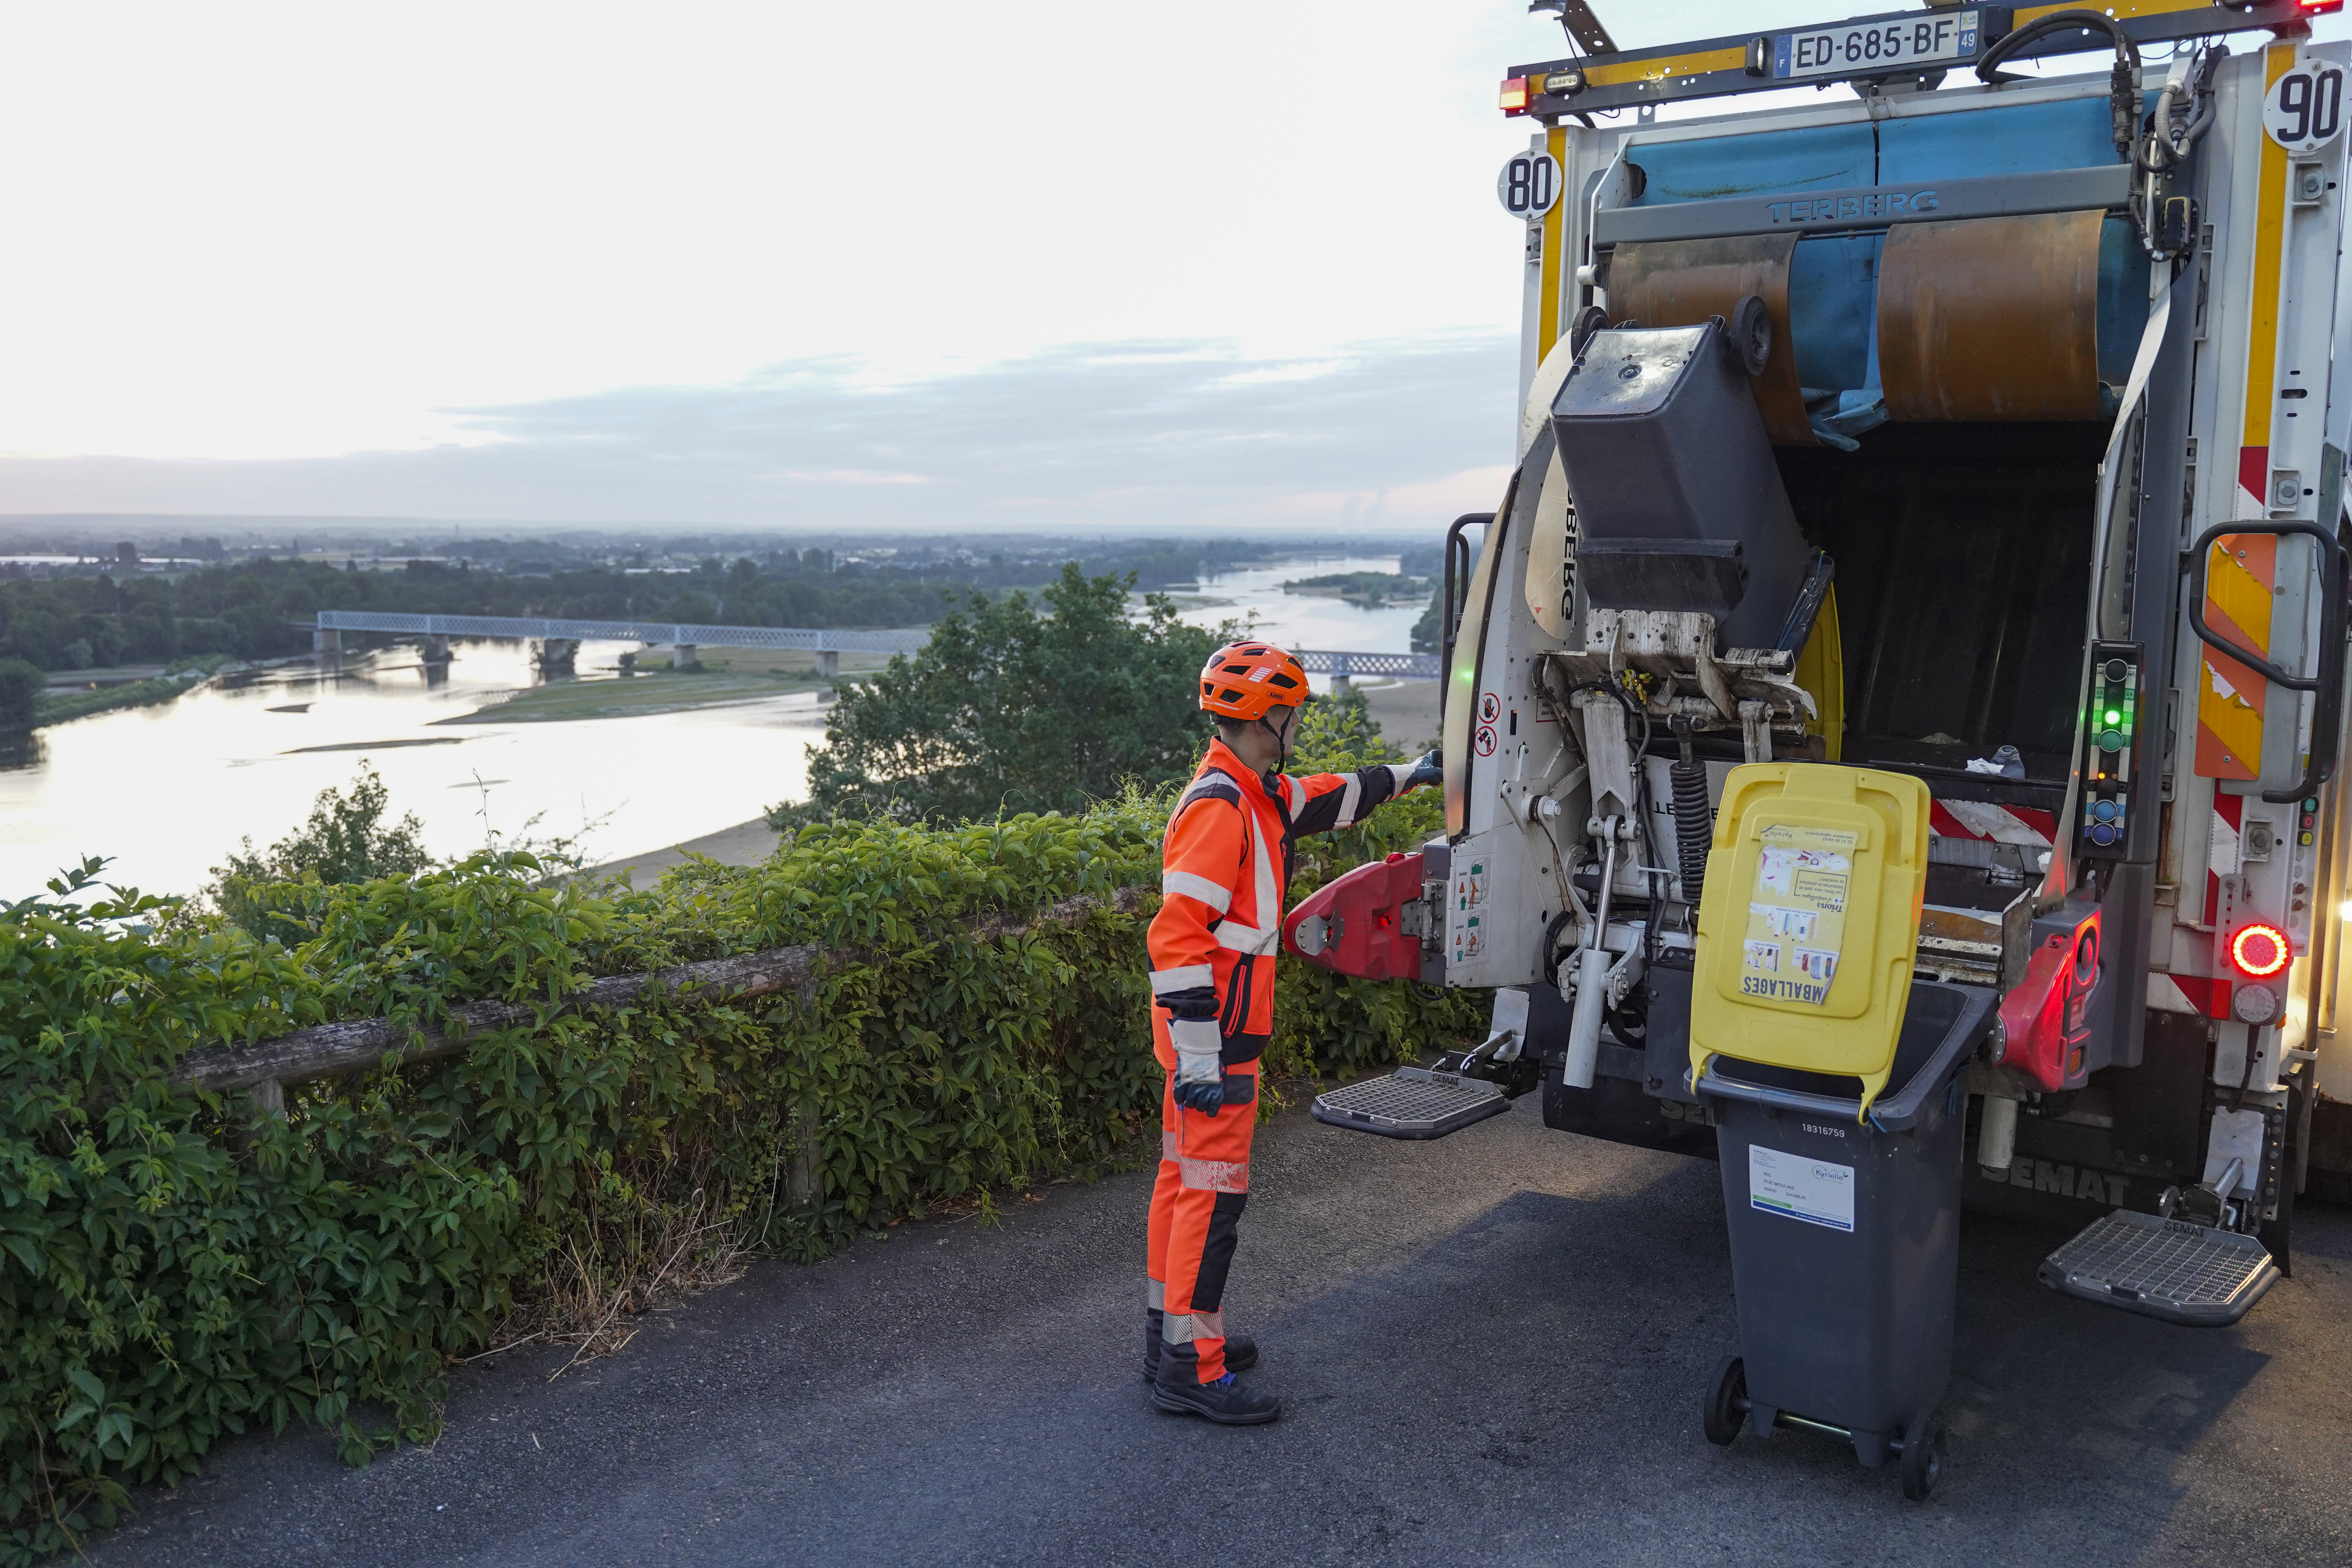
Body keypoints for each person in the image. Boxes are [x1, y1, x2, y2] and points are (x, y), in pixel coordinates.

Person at [1143, 640, 1440, 1424]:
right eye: (1292, 711)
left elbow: (1334, 795)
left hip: (1208, 1033)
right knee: (1212, 1197)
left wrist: (1414, 772)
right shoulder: (1220, 808)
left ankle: (1170, 1337)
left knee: (1183, 1185)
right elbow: (1177, 938)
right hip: (1215, 1038)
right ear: (1263, 717)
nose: (1298, 720)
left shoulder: (1255, 791)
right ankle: (1193, 1368)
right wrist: (1204, 1054)